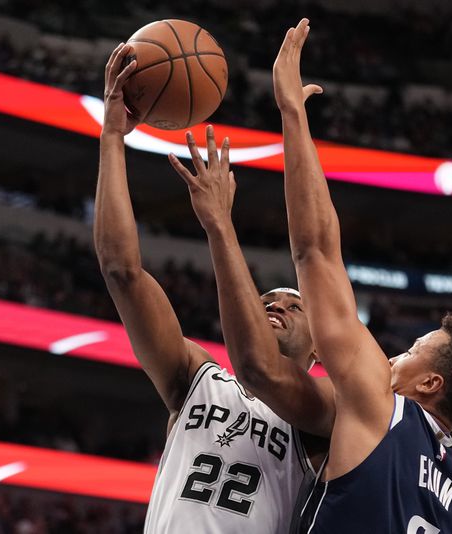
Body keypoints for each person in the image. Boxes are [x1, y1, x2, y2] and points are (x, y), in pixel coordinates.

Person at [272, 19, 452, 533]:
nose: (390, 355)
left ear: (430, 383)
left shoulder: (384, 410)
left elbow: (315, 250)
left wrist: (293, 114)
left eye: (411, 350)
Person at [94, 43, 332, 533]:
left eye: (295, 306)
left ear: (321, 343)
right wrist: (113, 136)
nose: (276, 305)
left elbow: (318, 244)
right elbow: (122, 271)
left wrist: (221, 224)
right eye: (269, 299)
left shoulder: (321, 413)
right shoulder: (197, 377)